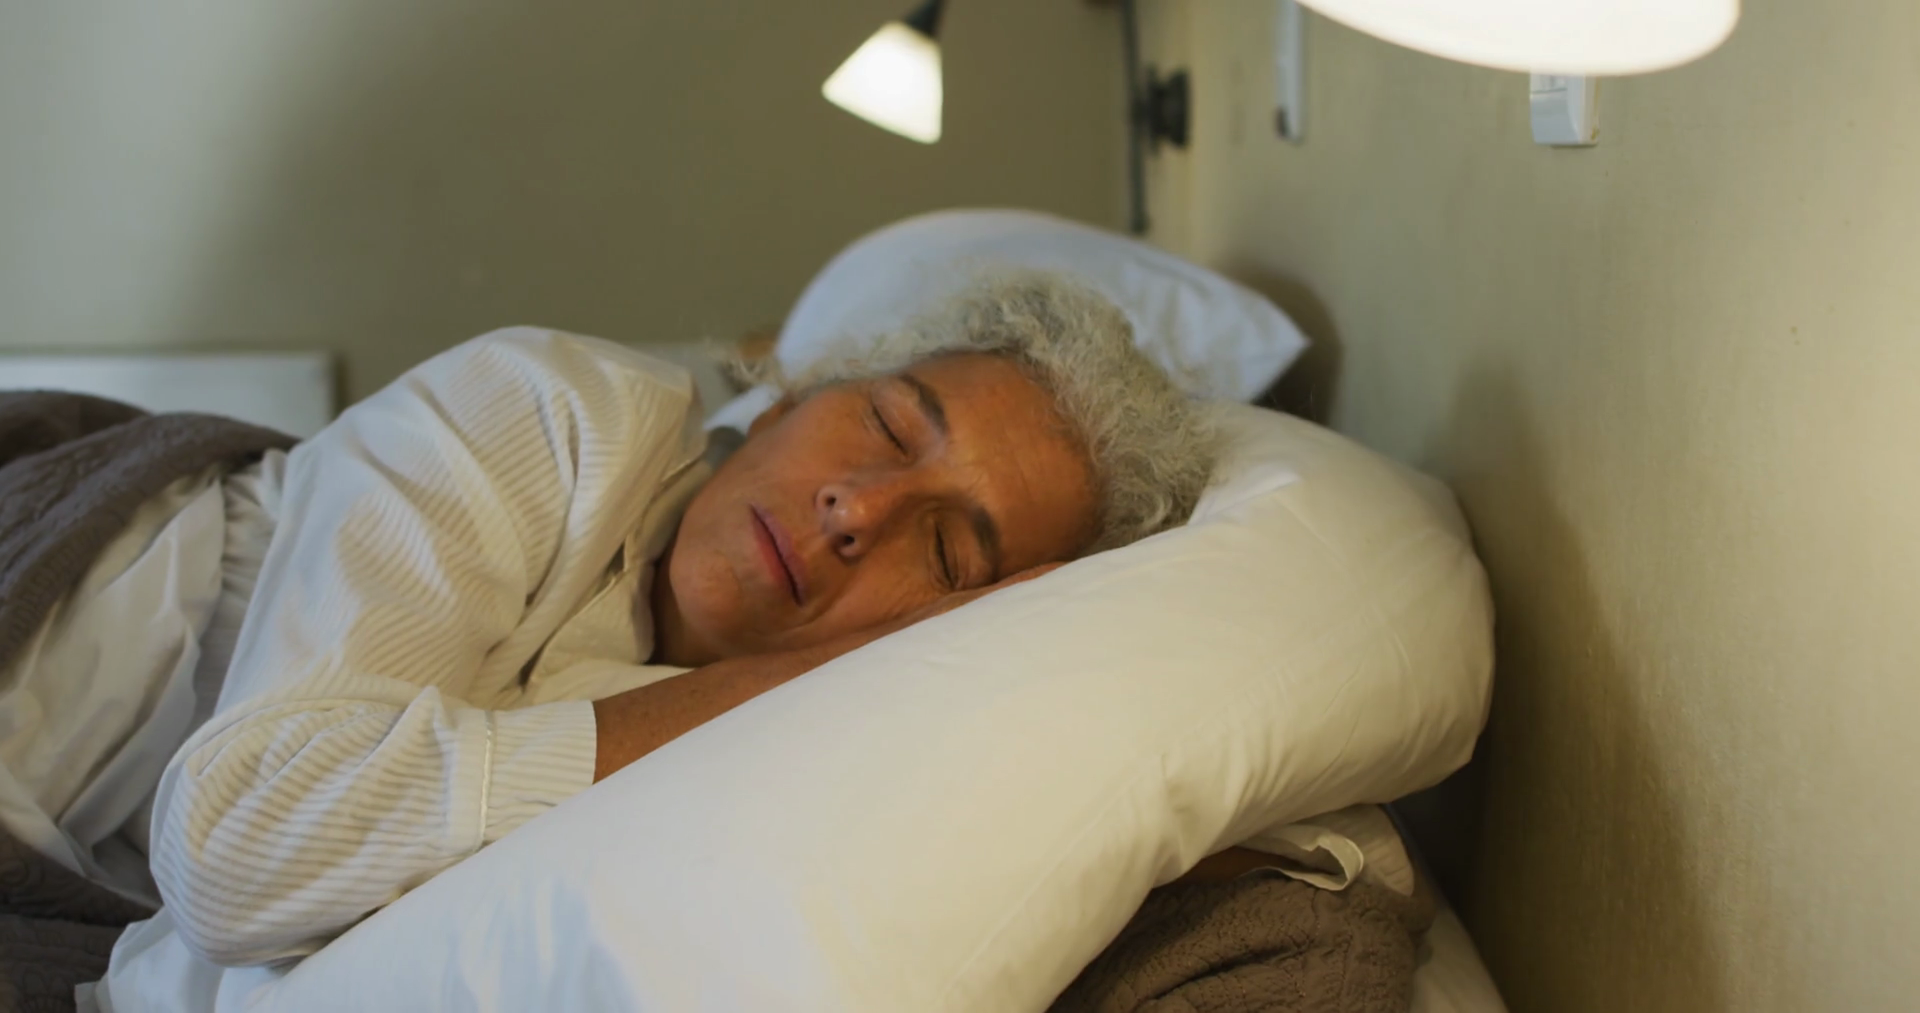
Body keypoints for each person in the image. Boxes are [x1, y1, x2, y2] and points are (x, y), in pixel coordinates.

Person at [4, 273, 1218, 975]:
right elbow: (242, 844)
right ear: (787, 400)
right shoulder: (555, 411)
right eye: (888, 427)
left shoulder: (818, 772)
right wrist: (826, 665)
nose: (860, 509)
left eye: (947, 550)